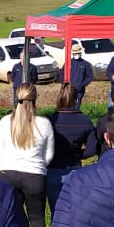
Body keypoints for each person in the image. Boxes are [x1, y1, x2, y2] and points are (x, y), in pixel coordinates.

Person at [0, 85, 55, 227]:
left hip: (8, 174)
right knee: (36, 218)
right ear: (35, 99)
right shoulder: (44, 124)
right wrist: (37, 166)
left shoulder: (5, 122)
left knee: (11, 218)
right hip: (35, 175)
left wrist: (6, 166)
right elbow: (49, 155)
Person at [46, 83, 97, 217]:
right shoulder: (85, 121)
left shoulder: (51, 120)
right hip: (74, 170)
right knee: (74, 216)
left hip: (53, 170)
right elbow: (92, 150)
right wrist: (78, 154)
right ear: (76, 100)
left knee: (56, 215)